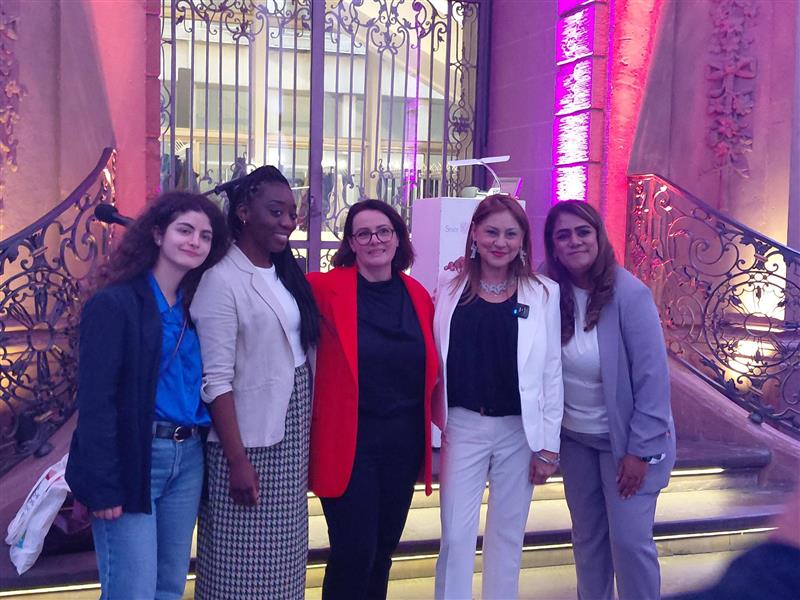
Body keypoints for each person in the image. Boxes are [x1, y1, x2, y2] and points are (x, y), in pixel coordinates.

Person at [65, 192, 229, 600]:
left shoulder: (196, 305)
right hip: (135, 455)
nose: (195, 242)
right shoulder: (115, 303)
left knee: (169, 587)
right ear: (157, 234)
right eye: (184, 230)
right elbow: (97, 402)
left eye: (205, 236)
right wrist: (104, 486)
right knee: (132, 590)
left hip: (188, 457)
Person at [190, 166, 320, 599]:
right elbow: (215, 380)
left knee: (283, 564)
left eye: (292, 213)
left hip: (289, 435)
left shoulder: (283, 271)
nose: (288, 221)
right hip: (248, 443)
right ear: (244, 212)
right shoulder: (220, 279)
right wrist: (237, 460)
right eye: (276, 211)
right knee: (240, 568)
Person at [543, 199, 676, 600]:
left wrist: (640, 452)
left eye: (583, 232)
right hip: (576, 440)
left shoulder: (630, 295)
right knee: (588, 541)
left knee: (630, 544)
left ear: (599, 236)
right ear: (553, 246)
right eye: (563, 235)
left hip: (627, 445)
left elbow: (652, 381)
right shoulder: (546, 291)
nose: (574, 241)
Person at [434, 193, 564, 600]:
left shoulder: (544, 293)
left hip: (519, 432)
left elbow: (551, 372)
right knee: (456, 536)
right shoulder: (449, 285)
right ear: (474, 233)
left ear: (523, 239)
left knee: (507, 538)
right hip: (463, 426)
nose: (500, 242)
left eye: (511, 234)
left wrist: (549, 446)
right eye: (491, 232)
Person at [307, 199, 438, 600]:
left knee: (382, 552)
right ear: (350, 243)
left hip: (402, 444)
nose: (374, 240)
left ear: (398, 238)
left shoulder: (418, 295)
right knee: (354, 553)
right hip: (349, 443)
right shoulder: (324, 289)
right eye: (363, 234)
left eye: (383, 231)